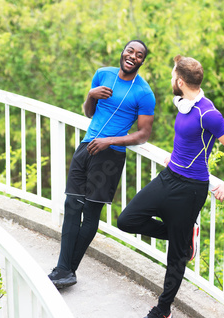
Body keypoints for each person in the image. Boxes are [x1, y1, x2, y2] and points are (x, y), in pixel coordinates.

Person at [117, 55, 224, 318]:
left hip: (190, 189)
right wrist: (174, 156)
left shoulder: (208, 113)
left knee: (175, 257)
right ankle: (184, 236)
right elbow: (190, 140)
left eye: (172, 74)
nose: (170, 79)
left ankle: (162, 310)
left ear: (180, 81)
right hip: (169, 176)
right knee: (126, 220)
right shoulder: (186, 105)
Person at [48, 40, 156, 288]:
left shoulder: (144, 93)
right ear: (123, 53)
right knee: (71, 205)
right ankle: (64, 269)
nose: (132, 56)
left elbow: (143, 134)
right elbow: (88, 112)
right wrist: (90, 95)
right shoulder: (102, 75)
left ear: (141, 62)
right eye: (130, 51)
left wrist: (110, 141)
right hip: (86, 146)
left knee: (91, 213)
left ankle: (66, 270)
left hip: (110, 155)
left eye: (139, 55)